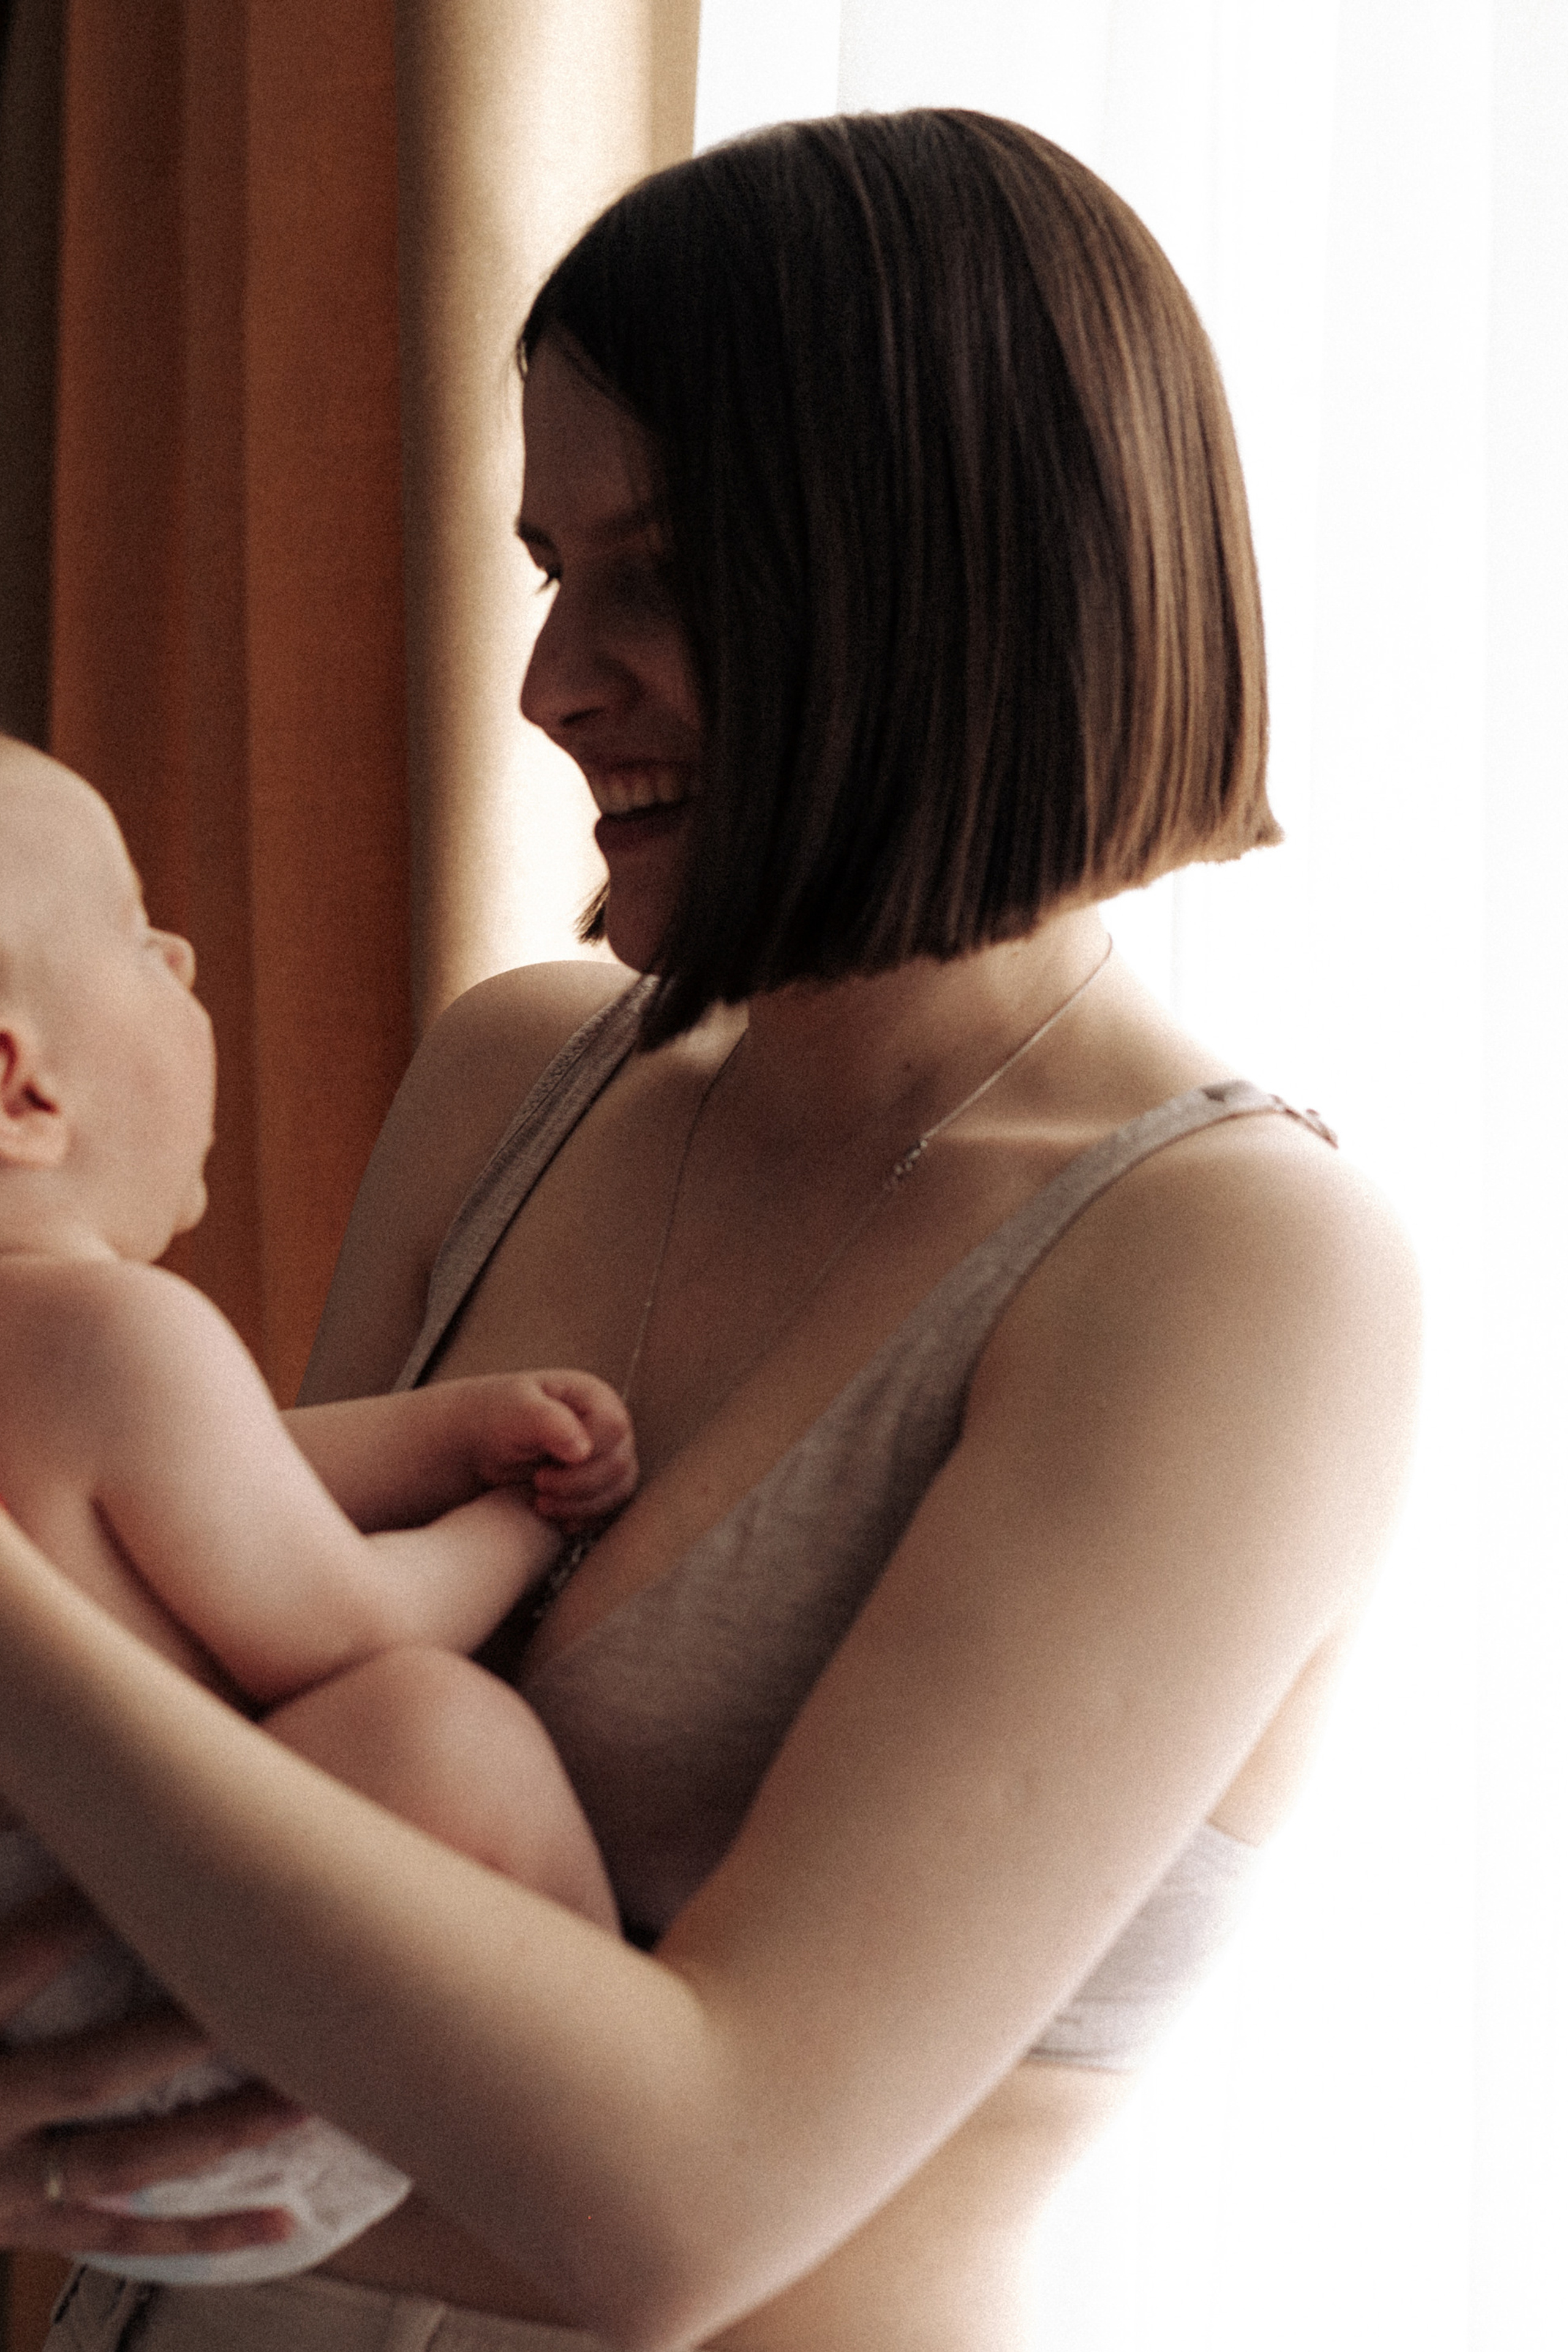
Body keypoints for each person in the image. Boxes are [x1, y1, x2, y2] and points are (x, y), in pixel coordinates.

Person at [0, 110, 1419, 2352]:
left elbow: (680, 2211)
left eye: (651, 574)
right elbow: (188, 1836)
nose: (553, 679)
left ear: (946, 574)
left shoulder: (1231, 1272)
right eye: (553, 568)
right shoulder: (515, 1077)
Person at [0, 742, 633, 2282]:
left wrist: (429, 1435)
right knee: (425, 1722)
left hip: (49, 2090)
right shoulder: (120, 1338)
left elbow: (208, 1496)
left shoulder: (72, 1373)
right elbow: (335, 1622)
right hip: (191, 2057)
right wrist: (523, 1523)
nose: (189, 957)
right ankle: (615, 2058)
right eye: (143, 933)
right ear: (19, 1087)